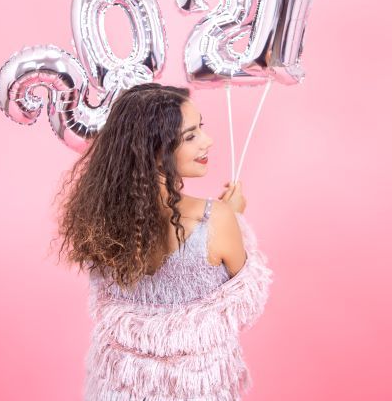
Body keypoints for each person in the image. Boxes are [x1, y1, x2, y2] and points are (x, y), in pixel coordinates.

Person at [53, 82, 273, 400]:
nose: (207, 142)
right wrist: (233, 217)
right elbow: (246, 304)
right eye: (191, 136)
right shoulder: (217, 221)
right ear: (155, 152)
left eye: (201, 129)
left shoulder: (101, 222)